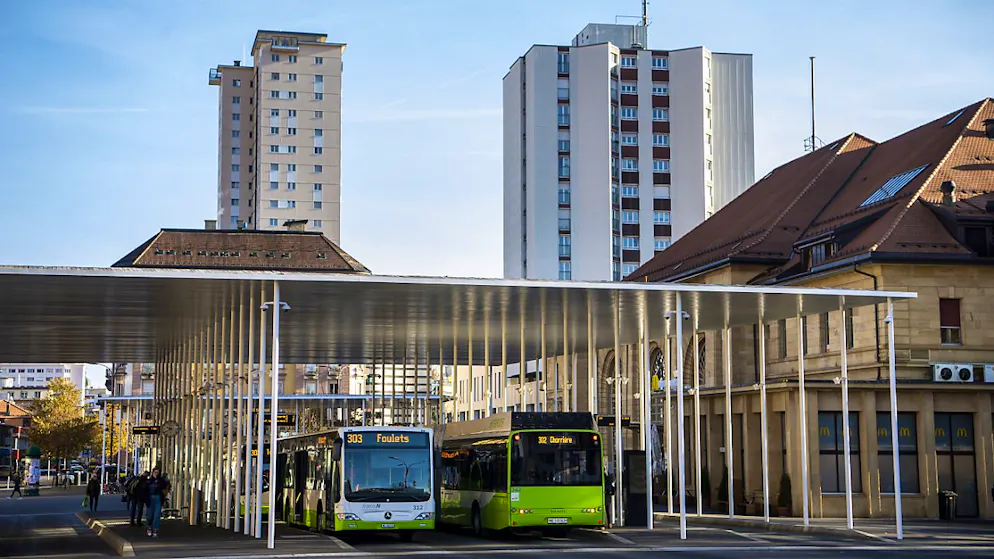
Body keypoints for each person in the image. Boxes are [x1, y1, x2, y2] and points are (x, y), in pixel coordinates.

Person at [146, 468, 170, 538]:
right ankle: (149, 527)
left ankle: (155, 530)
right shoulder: (149, 481)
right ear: (152, 473)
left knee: (157, 515)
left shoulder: (161, 480)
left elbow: (165, 485)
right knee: (150, 515)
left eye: (157, 472)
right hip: (150, 498)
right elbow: (145, 489)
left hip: (158, 498)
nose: (156, 474)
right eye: (155, 472)